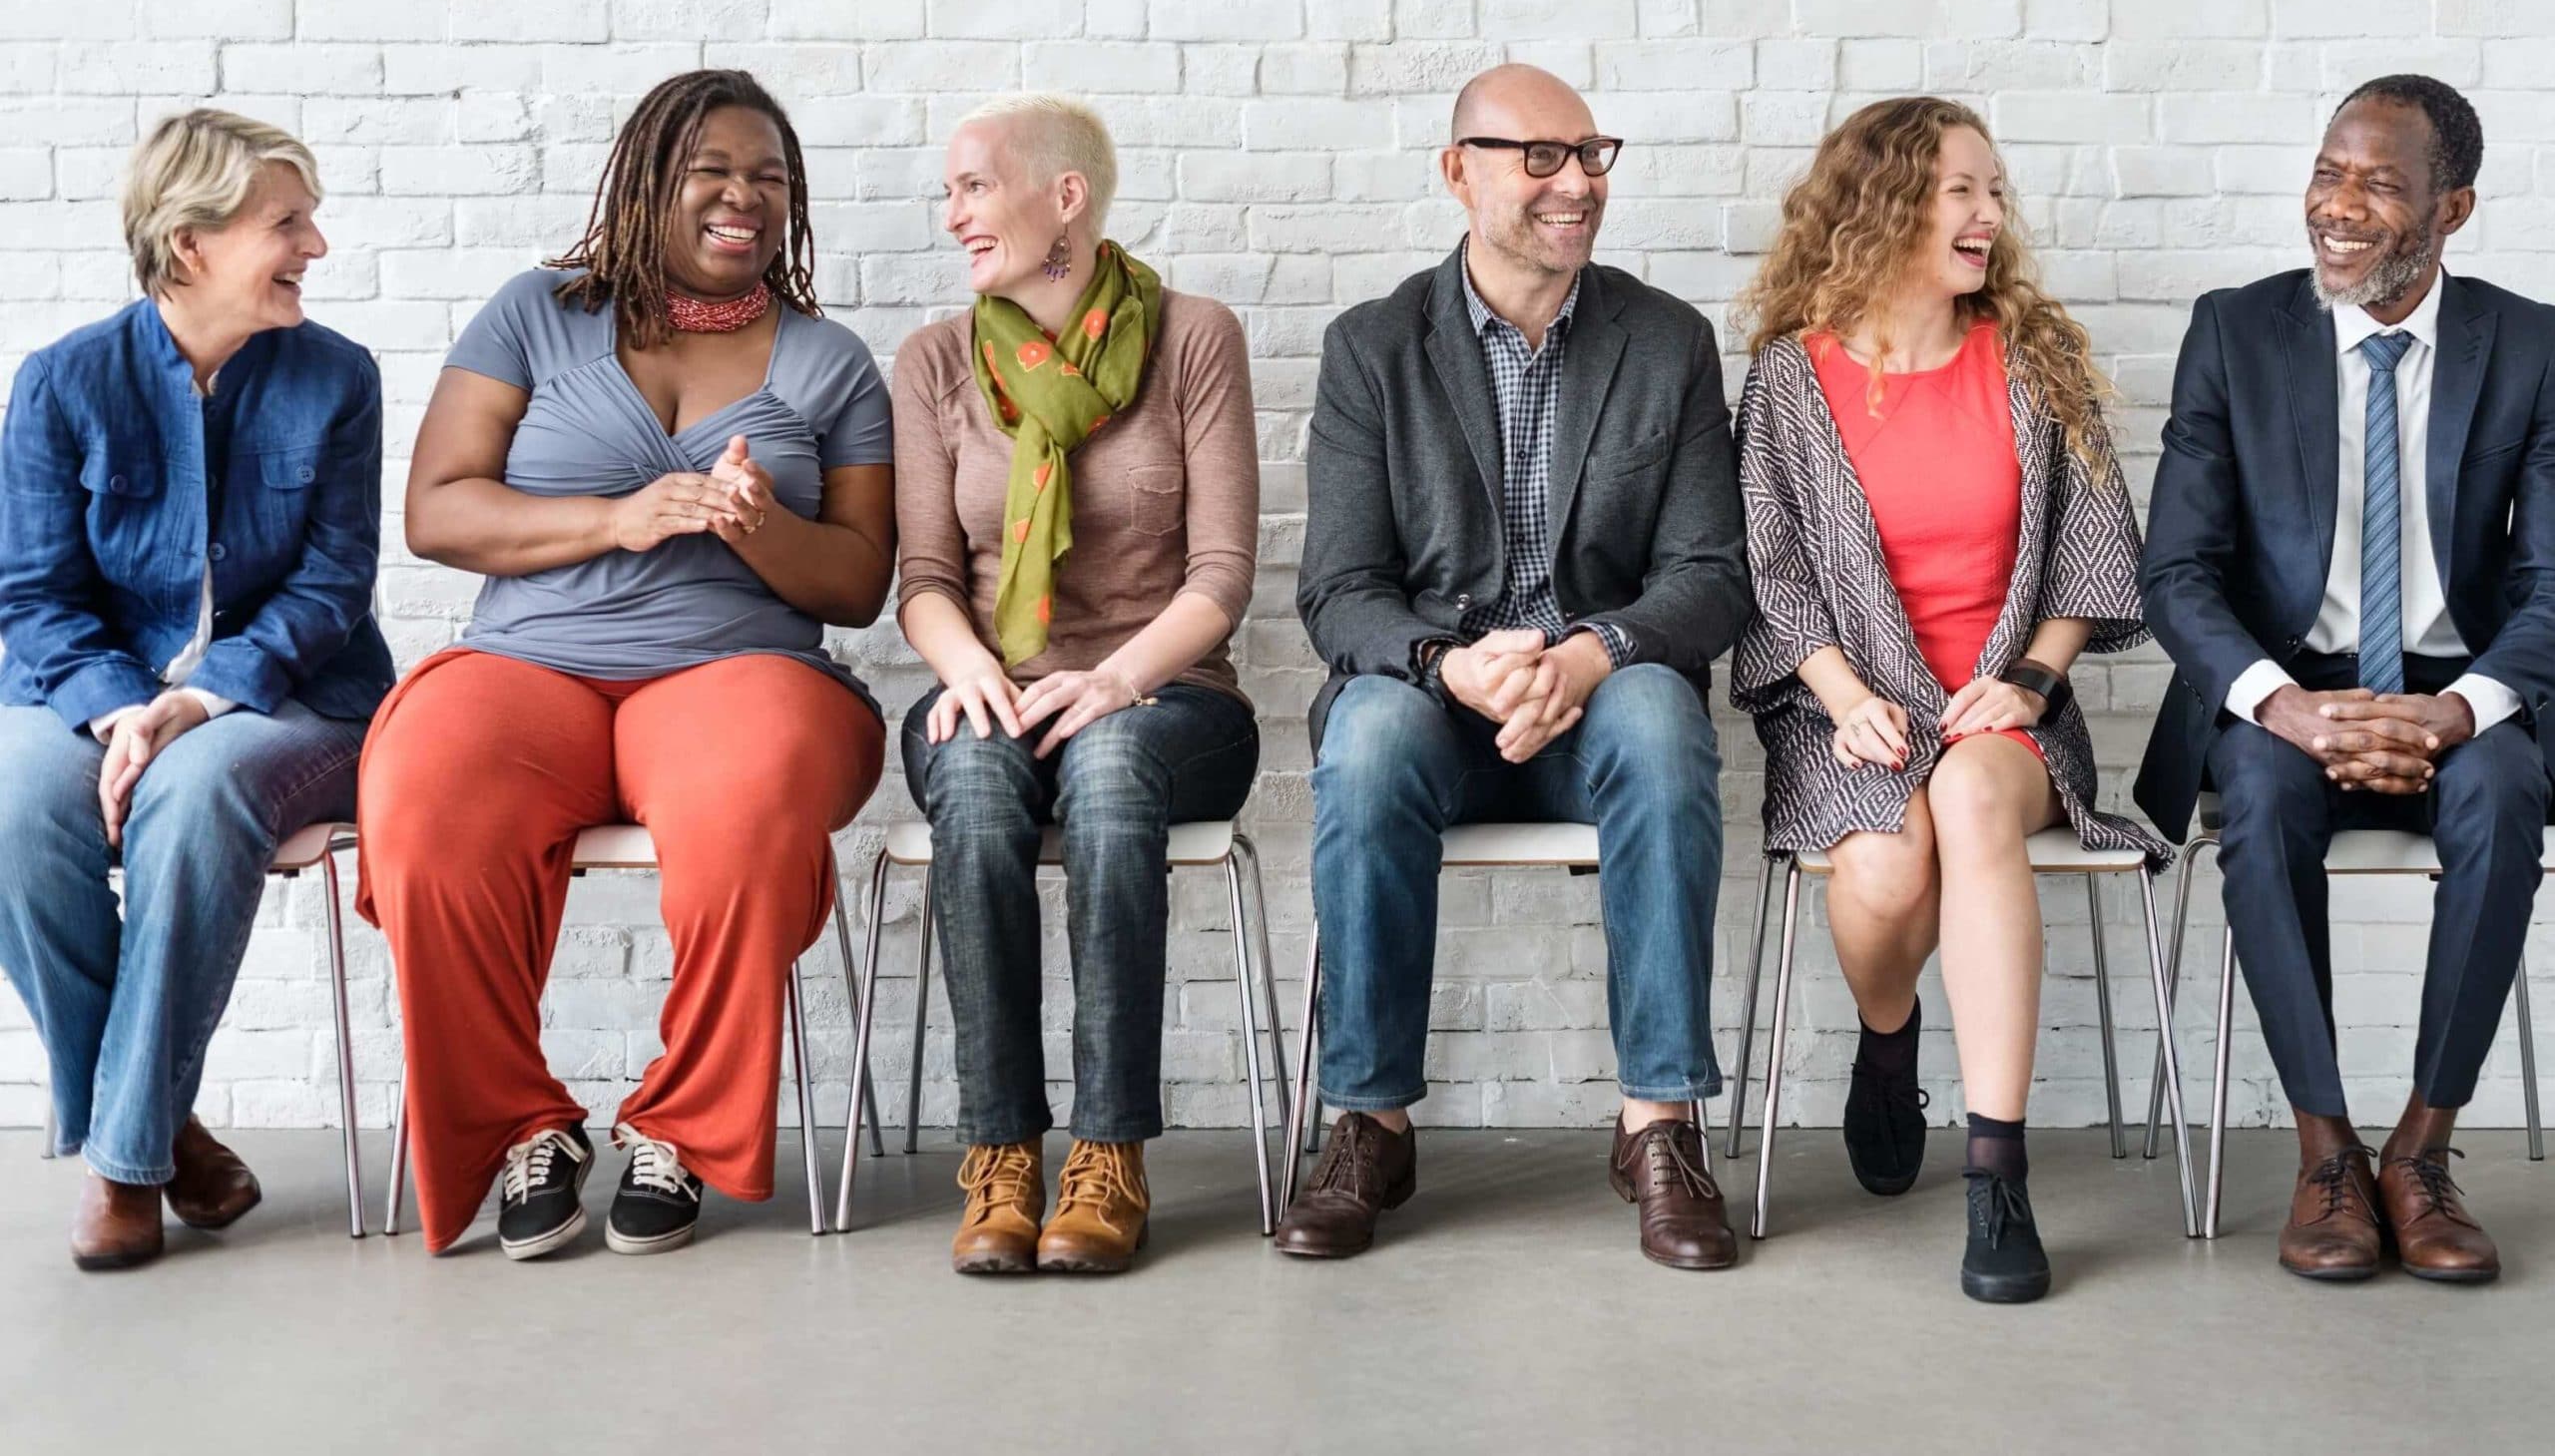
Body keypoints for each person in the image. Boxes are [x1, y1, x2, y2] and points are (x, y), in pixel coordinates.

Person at [358, 69, 895, 1260]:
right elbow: (438, 511)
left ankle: (683, 1131)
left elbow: (859, 581)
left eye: (768, 177)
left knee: (750, 803)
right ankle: (517, 1130)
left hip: (737, 665)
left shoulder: (831, 362)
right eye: (711, 169)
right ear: (650, 179)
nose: (741, 196)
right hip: (528, 663)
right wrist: (617, 517)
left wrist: (760, 527)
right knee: (423, 801)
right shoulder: (533, 314)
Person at [1276, 62, 1750, 1271]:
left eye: (1590, 153)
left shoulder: (1666, 341)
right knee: (1367, 734)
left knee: (1656, 719)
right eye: (1537, 155)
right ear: (1458, 173)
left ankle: (1659, 1124)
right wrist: (1450, 665)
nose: (1574, 181)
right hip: (1440, 707)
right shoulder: (1373, 348)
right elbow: (1338, 590)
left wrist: (1590, 652)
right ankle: (1370, 1121)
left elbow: (1709, 572)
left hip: (1598, 703)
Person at [1731, 96, 2155, 1304]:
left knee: (1967, 799)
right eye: (1960, 189)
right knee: (1882, 871)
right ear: (1884, 205)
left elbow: (2093, 552)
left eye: (1992, 190)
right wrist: (1840, 690)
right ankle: (1884, 1038)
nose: (1988, 213)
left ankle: (1994, 1170)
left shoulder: (2030, 362)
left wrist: (2024, 681)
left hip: (2001, 714)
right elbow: (1769, 570)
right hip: (1844, 706)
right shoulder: (1786, 383)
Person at [2138, 75, 2555, 1286]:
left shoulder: (2530, 347)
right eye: (2328, 171)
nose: (2338, 204)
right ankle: (2326, 1150)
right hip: (2288, 683)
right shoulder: (2234, 328)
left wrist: (2457, 709)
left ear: (2452, 208)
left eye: (2378, 182)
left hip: (2460, 687)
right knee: (2260, 800)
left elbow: (2549, 581)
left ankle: (2418, 1150)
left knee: (2502, 788)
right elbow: (2177, 570)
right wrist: (2282, 703)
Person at [0, 110, 392, 1269]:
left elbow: (332, 586)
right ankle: (163, 1123)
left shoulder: (338, 379)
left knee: (194, 792)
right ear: (189, 246)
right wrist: (127, 706)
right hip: (90, 697)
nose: (314, 245)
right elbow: (32, 595)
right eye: (287, 222)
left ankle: (123, 1167)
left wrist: (199, 700)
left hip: (290, 704)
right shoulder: (62, 383)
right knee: (15, 807)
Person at [894, 94, 1259, 1275]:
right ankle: (1000, 1153)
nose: (952, 215)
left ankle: (1108, 1152)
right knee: (982, 785)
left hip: (1169, 691)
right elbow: (925, 578)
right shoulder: (936, 361)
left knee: (1106, 771)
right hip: (991, 683)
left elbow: (1220, 576)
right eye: (948, 191)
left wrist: (1111, 679)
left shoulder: (1194, 335)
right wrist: (972, 677)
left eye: (973, 187)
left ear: (1065, 197)